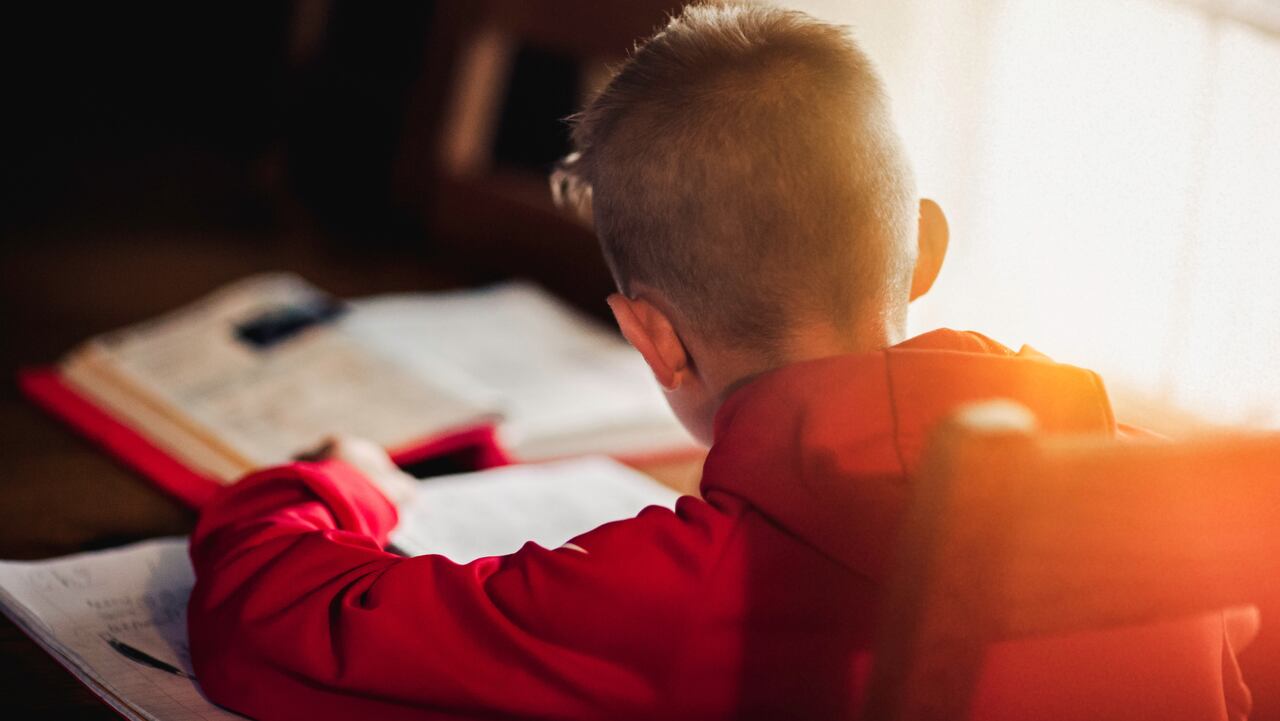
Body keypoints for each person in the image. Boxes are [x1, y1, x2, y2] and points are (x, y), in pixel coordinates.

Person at [187, 4, 1255, 720]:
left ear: (650, 334)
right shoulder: (1161, 487)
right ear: (922, 250)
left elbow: (270, 625)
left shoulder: (696, 587)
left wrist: (341, 484)